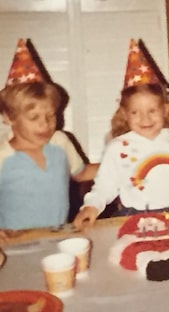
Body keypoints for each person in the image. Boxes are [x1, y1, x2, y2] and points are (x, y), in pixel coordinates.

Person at [73, 83, 169, 229]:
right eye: (135, 112)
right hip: (133, 217)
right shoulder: (117, 147)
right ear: (124, 114)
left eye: (152, 111)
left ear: (165, 109)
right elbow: (105, 185)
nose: (145, 119)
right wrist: (91, 206)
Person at [0, 82, 99, 236]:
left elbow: (82, 173)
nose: (45, 124)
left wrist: (121, 163)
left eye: (51, 115)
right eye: (34, 117)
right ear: (8, 117)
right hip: (13, 242)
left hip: (57, 236)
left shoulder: (60, 141)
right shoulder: (2, 155)